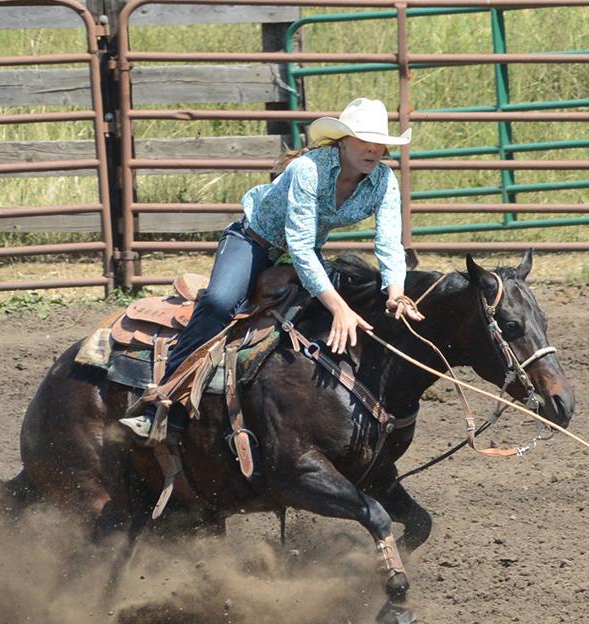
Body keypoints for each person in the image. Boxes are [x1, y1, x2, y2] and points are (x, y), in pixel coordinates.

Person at [120, 97, 425, 441]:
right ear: (342, 141)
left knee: (352, 296)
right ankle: (164, 402)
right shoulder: (309, 169)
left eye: (379, 143)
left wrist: (396, 294)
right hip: (253, 242)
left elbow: (389, 243)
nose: (372, 150)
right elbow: (300, 246)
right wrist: (339, 308)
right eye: (363, 141)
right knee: (219, 303)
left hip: (301, 254)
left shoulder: (383, 180)